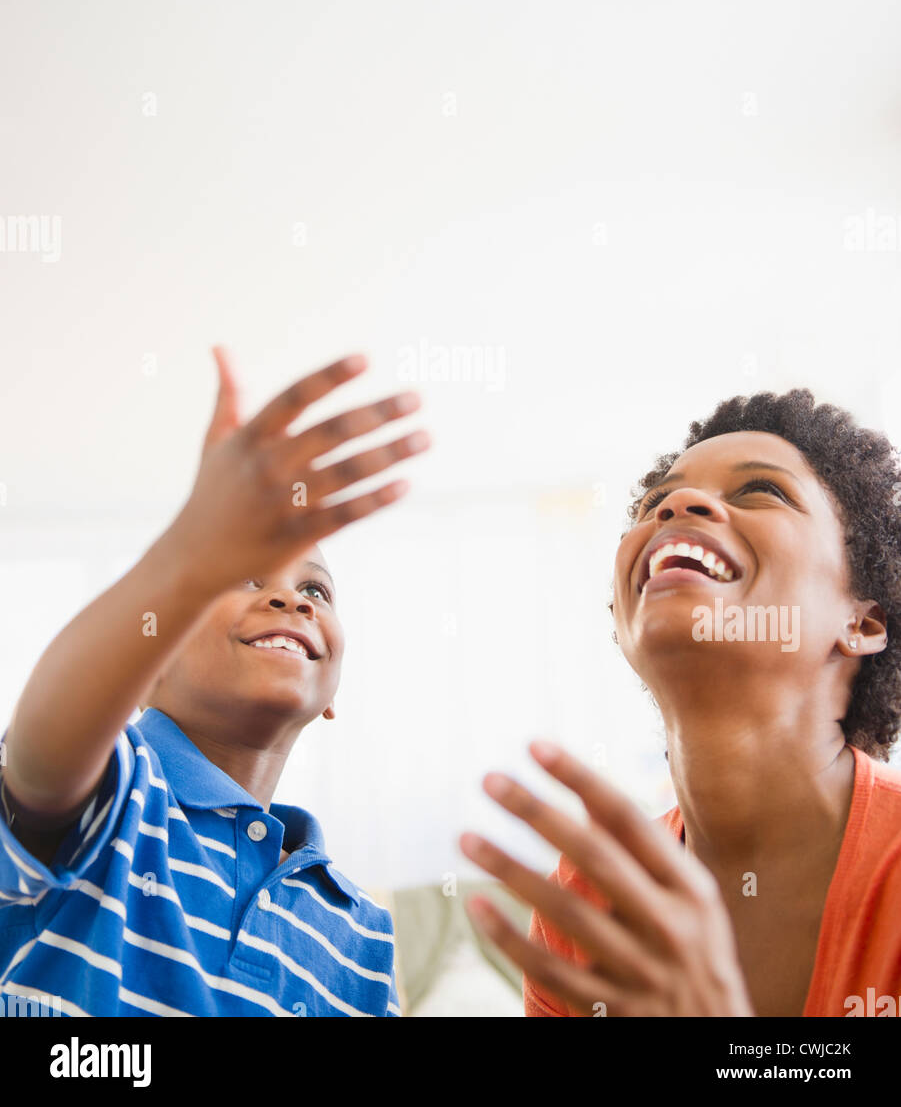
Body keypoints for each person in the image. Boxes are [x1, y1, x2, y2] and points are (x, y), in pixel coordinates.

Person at [0, 348, 429, 1017]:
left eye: (315, 587)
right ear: (150, 655)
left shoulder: (362, 933)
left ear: (334, 695)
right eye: (248, 579)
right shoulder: (118, 787)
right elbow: (40, 757)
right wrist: (190, 558)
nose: (294, 601)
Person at [460, 390, 901, 1017]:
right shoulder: (584, 905)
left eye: (761, 491)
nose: (676, 505)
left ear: (862, 623)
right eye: (652, 503)